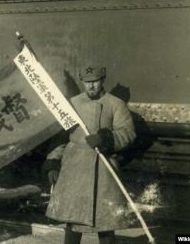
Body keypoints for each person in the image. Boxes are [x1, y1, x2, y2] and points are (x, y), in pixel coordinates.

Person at [42, 65, 136, 244]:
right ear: (82, 82)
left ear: (102, 81)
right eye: (87, 82)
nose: (91, 86)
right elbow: (61, 137)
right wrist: (53, 163)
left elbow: (127, 132)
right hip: (74, 169)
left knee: (106, 222)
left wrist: (105, 139)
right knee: (73, 221)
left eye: (95, 82)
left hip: (103, 168)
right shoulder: (72, 104)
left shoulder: (116, 104)